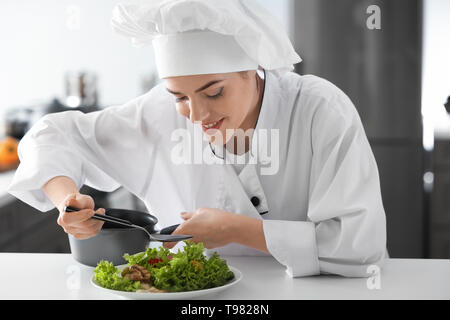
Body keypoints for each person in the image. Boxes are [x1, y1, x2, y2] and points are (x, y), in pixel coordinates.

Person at [8, 0, 387, 278]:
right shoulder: (155, 114)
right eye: (179, 97)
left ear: (251, 70)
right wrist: (68, 201)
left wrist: (238, 230)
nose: (198, 114)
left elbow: (358, 246)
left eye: (214, 92)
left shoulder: (319, 110)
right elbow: (53, 135)